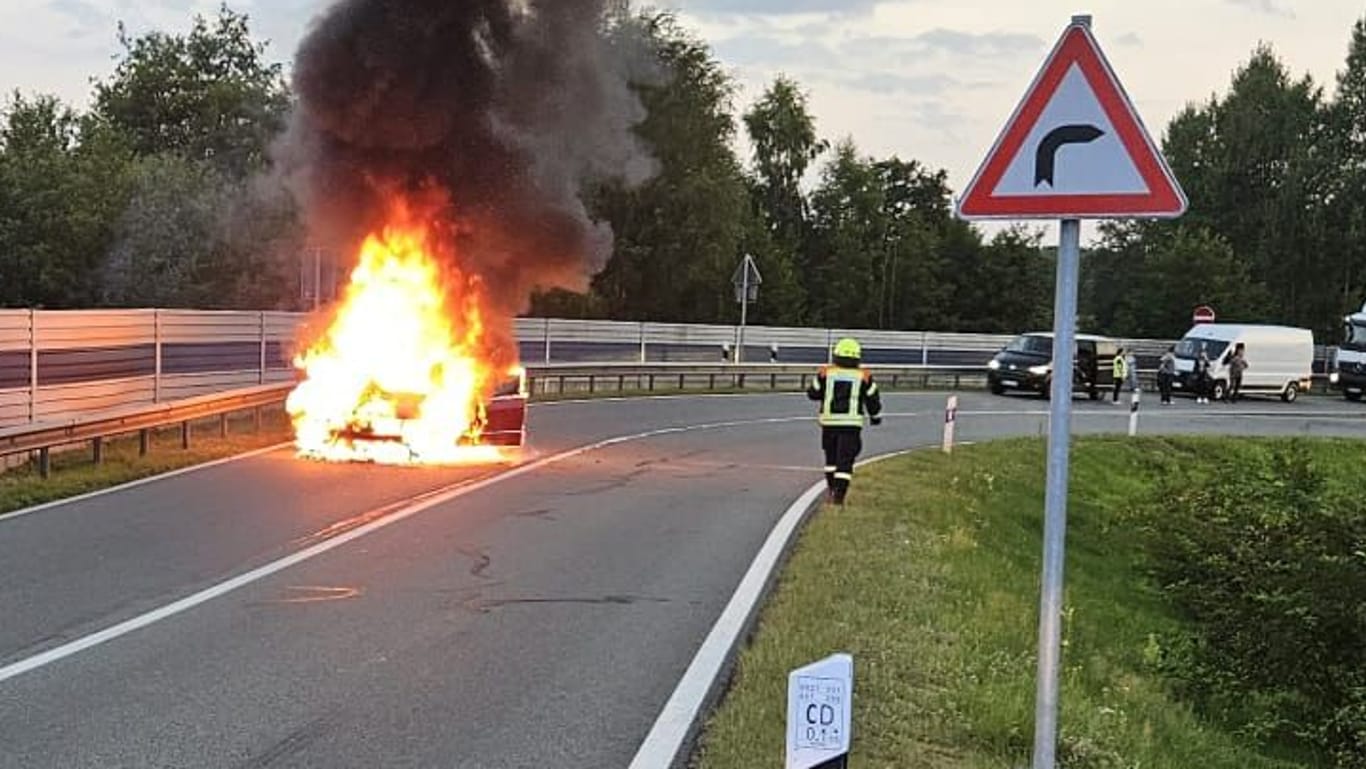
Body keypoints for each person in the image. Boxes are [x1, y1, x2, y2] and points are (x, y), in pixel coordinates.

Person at [807, 337, 883, 505]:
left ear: (836, 355)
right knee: (845, 461)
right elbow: (873, 399)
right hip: (851, 426)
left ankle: (831, 489)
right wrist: (875, 417)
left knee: (831, 459)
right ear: (857, 357)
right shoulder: (864, 376)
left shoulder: (825, 373)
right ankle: (839, 498)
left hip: (829, 424)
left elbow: (812, 393)